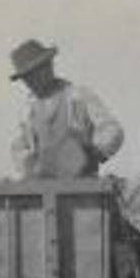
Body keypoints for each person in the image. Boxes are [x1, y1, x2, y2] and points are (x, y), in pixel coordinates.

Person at [8, 39, 125, 179]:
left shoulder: (78, 96)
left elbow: (112, 129)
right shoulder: (27, 112)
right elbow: (19, 150)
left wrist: (95, 151)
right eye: (26, 78)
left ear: (49, 67)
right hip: (44, 189)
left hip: (82, 185)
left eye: (35, 73)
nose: (31, 81)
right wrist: (30, 170)